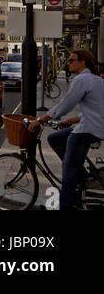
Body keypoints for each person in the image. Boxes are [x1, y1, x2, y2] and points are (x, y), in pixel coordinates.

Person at [37, 47, 104, 210]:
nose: (68, 64)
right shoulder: (97, 80)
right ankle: (82, 177)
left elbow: (66, 104)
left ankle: (66, 206)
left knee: (68, 170)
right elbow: (95, 110)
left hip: (88, 130)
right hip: (94, 126)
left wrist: (42, 119)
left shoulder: (81, 80)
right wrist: (70, 121)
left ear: (83, 62)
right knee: (55, 138)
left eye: (71, 60)